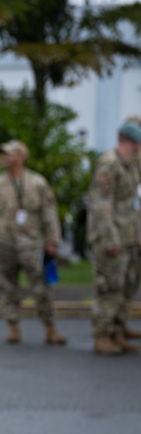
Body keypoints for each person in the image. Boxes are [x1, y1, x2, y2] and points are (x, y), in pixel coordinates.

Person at [0, 139, 66, 345]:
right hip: (4, 243)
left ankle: (50, 328)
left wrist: (52, 240)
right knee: (7, 287)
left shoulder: (37, 183)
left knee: (41, 287)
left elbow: (49, 212)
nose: (4, 158)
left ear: (21, 157)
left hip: (32, 243)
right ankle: (13, 327)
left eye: (9, 154)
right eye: (4, 154)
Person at [87, 120, 141, 355]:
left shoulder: (127, 164)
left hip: (128, 236)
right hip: (114, 238)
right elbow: (102, 205)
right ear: (125, 140)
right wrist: (110, 239)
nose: (138, 147)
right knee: (109, 288)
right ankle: (102, 336)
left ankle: (116, 332)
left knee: (123, 288)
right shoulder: (109, 164)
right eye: (135, 143)